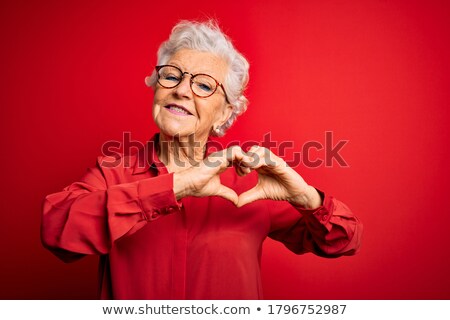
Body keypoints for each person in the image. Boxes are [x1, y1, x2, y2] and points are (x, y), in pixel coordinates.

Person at [41, 20, 363, 299]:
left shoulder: (250, 183)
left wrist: (306, 197)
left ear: (225, 112)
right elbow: (57, 229)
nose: (182, 90)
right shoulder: (115, 172)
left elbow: (343, 239)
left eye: (204, 85)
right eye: (172, 76)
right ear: (156, 87)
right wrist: (176, 186)